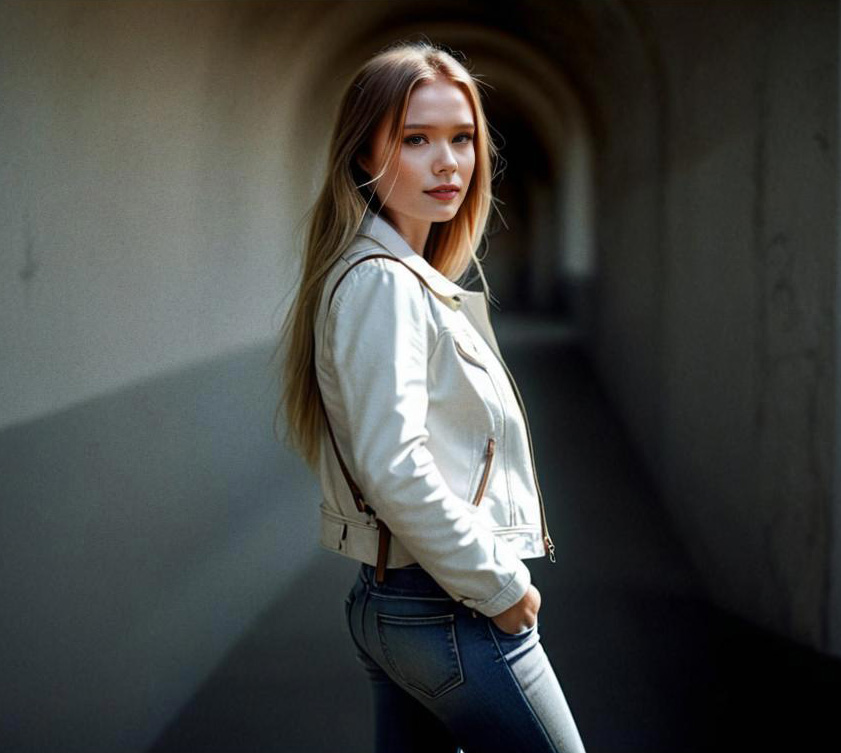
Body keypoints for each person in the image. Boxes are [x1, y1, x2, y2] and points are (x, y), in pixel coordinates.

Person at [277, 39, 587, 753]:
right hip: (447, 611)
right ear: (363, 155)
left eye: (462, 137)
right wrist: (501, 586)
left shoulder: (389, 274)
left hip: (400, 607)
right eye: (416, 139)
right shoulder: (382, 281)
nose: (447, 161)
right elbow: (393, 464)